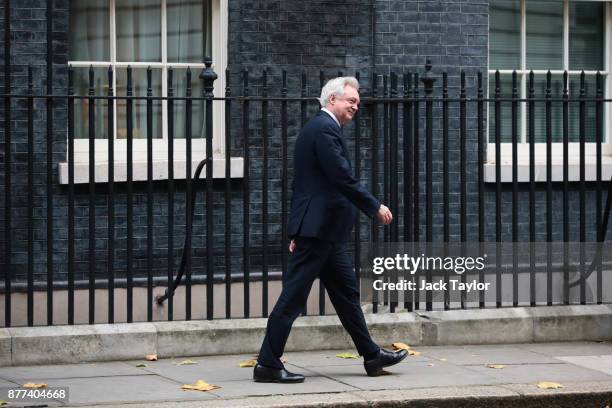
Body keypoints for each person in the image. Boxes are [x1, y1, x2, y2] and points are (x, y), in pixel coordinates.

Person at [254, 76, 407, 383]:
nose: (355, 107)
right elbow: (341, 177)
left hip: (325, 233)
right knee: (294, 297)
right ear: (332, 100)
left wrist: (297, 231)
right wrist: (373, 206)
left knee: (347, 294)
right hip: (319, 231)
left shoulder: (321, 129)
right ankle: (268, 363)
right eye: (351, 101)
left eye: (358, 103)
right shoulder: (323, 129)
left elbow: (306, 183)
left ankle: (371, 355)